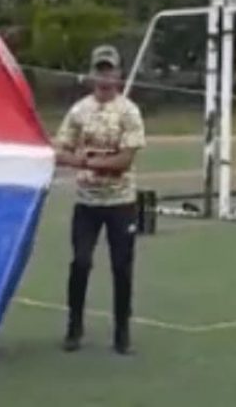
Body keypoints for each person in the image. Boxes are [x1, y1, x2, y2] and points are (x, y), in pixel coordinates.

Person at [54, 45, 146, 355]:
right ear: (92, 74)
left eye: (110, 71)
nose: (105, 78)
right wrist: (78, 160)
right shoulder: (79, 111)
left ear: (118, 75)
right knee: (80, 262)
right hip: (87, 204)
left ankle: (122, 333)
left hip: (121, 203)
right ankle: (74, 327)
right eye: (100, 71)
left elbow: (125, 160)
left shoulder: (129, 112)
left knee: (121, 267)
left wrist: (88, 162)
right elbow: (60, 151)